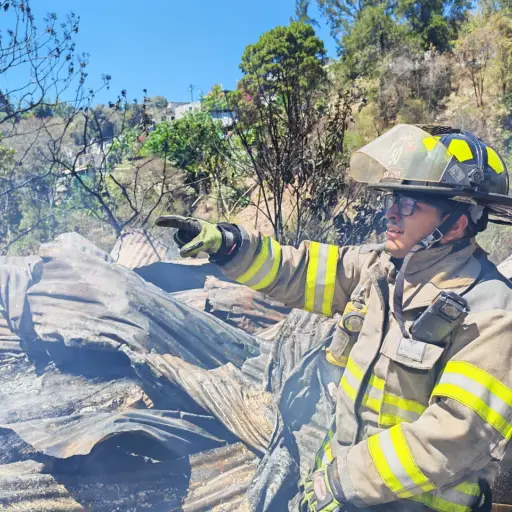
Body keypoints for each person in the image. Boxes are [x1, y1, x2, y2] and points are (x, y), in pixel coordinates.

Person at [156, 124, 512, 512]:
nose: (391, 213)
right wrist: (231, 246)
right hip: (347, 495)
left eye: (410, 204)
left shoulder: (491, 310)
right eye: (393, 199)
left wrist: (341, 481)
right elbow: (300, 271)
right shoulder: (381, 271)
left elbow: (454, 437)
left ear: (457, 224)